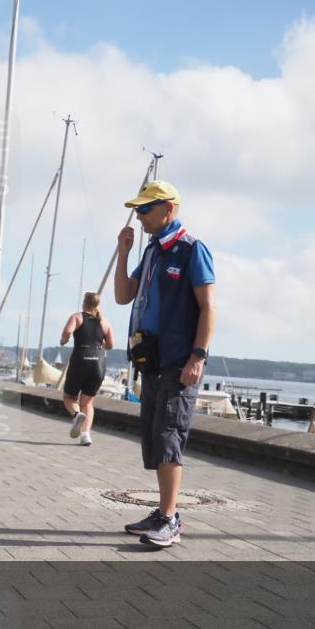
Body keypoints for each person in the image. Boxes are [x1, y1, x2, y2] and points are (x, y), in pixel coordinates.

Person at [113, 180, 216, 549]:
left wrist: (198, 356)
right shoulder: (154, 251)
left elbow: (208, 307)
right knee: (156, 438)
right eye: (138, 210)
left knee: (170, 437)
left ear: (168, 208)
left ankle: (170, 520)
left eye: (145, 209)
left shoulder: (191, 250)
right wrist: (124, 253)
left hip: (178, 360)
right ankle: (162, 512)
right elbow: (124, 296)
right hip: (151, 360)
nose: (139, 216)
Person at [59, 292, 115, 446]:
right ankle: (86, 436)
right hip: (98, 362)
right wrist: (98, 346)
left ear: (84, 302)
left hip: (80, 359)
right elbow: (110, 345)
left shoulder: (77, 317)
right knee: (88, 402)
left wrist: (63, 341)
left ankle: (77, 415)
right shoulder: (104, 321)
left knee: (69, 397)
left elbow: (67, 332)